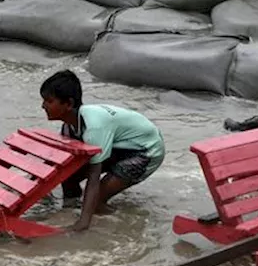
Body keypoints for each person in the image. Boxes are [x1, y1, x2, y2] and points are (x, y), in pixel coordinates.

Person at [39, 69, 165, 232]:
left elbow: (93, 177)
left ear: (68, 104)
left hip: (145, 150)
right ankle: (71, 209)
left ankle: (126, 220)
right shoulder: (69, 126)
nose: (43, 106)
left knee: (96, 203)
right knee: (69, 175)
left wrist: (83, 223)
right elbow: (59, 164)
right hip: (119, 146)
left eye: (48, 101)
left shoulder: (94, 128)